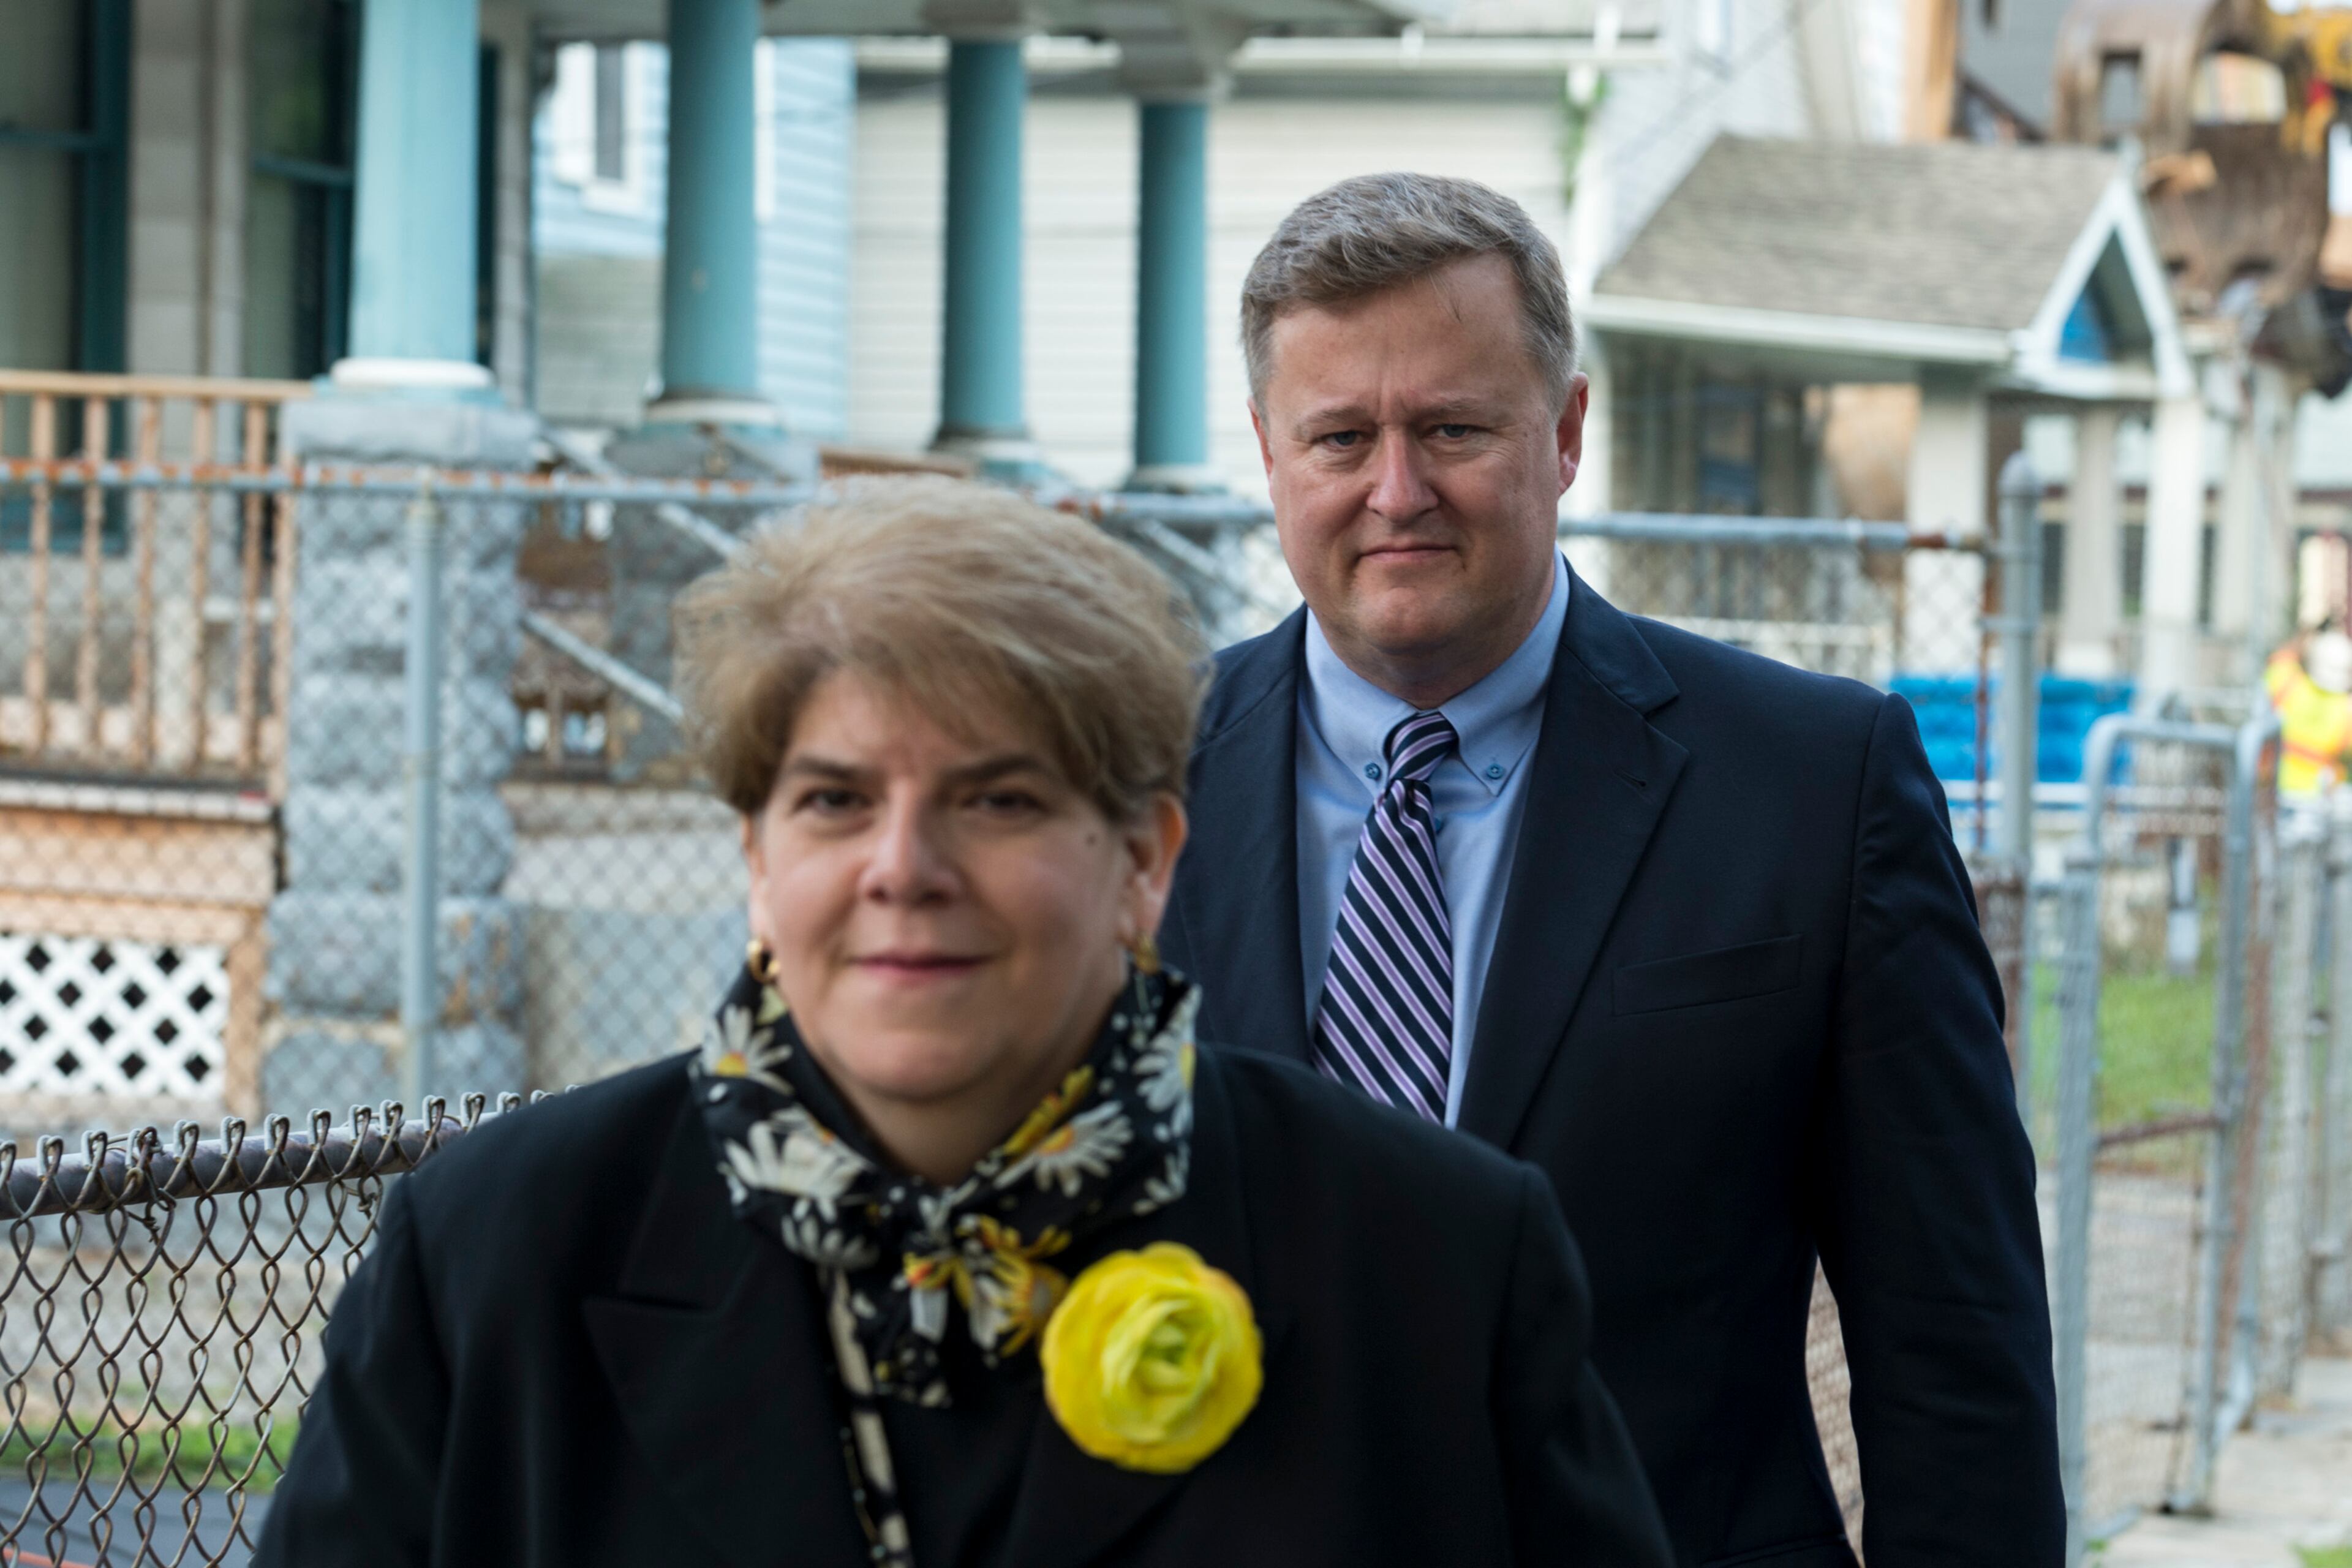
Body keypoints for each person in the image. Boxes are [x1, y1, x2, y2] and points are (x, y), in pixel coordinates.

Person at [254, 478, 1673, 1567]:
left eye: (997, 798)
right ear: (758, 857)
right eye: (833, 799)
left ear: (1143, 861)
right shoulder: (499, 1244)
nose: (903, 866)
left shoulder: (1428, 1253)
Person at [1159, 173, 2063, 1566]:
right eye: (1339, 435)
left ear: (1565, 429)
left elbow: (1951, 1336)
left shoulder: (1814, 784)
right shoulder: (1127, 783)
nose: (1394, 490)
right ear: (1268, 451)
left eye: (1452, 428)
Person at [2265, 626, 2352, 797]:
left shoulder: (2289, 684)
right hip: (2319, 797)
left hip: (2273, 787)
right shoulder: (2346, 709)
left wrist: (2306, 633)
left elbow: (2281, 658)